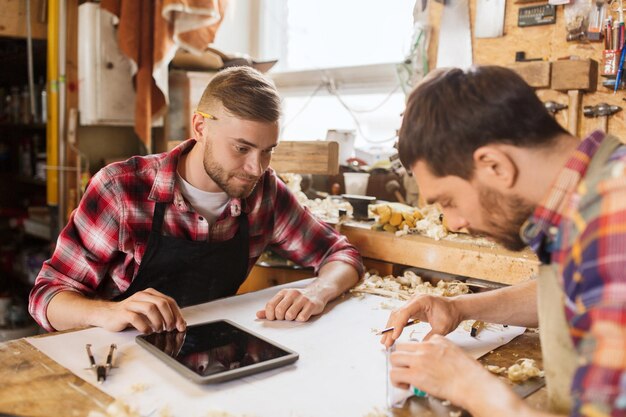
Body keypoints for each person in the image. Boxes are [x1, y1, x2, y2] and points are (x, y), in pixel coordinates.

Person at [29, 66, 363, 334]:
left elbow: (341, 254)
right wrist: (108, 313)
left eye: (267, 151)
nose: (256, 168)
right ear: (200, 127)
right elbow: (46, 298)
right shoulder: (120, 190)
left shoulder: (265, 193)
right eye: (242, 148)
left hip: (204, 351)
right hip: (112, 356)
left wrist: (317, 292)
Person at [382, 66, 626, 417]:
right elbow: (571, 290)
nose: (453, 223)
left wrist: (471, 389)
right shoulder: (589, 194)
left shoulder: (612, 218)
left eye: (448, 201)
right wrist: (460, 308)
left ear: (494, 165)